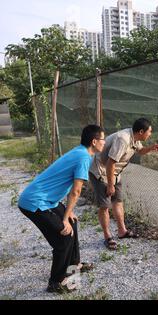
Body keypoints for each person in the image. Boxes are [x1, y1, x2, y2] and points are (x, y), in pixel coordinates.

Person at [18, 124, 106, 293]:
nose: (105, 142)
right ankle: (56, 282)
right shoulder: (83, 157)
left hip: (48, 200)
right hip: (35, 202)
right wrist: (63, 219)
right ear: (94, 141)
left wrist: (68, 213)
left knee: (72, 223)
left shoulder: (81, 152)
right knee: (63, 238)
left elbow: (68, 187)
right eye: (103, 139)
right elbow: (76, 191)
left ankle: (75, 265)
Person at [89, 118, 158, 250]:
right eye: (149, 131)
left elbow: (139, 151)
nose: (150, 134)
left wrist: (151, 148)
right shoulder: (123, 139)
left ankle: (122, 231)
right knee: (105, 205)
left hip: (114, 173)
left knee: (118, 201)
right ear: (141, 131)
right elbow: (110, 162)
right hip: (101, 171)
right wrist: (110, 185)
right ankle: (107, 237)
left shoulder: (135, 138)